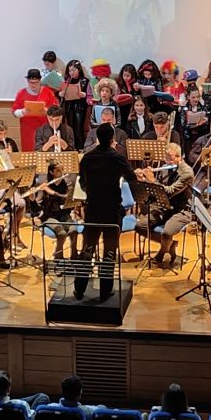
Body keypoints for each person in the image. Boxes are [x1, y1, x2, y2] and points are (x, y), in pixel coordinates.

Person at [75, 123, 131, 300]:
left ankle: (79, 290)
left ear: (97, 138)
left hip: (92, 209)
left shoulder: (87, 158)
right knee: (109, 251)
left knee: (87, 250)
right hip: (111, 210)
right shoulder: (118, 158)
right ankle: (105, 291)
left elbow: (82, 183)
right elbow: (132, 178)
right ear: (113, 138)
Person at [138, 142, 195, 267]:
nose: (168, 161)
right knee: (140, 226)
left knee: (167, 233)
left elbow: (169, 192)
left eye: (172, 158)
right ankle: (169, 245)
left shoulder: (187, 173)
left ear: (180, 157)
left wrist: (152, 179)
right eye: (167, 158)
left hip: (181, 210)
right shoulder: (165, 168)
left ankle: (162, 251)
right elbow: (156, 188)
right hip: (164, 207)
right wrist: (144, 180)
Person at [11, 69, 59, 151]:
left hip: (44, 128)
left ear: (40, 81)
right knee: (29, 150)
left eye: (36, 82)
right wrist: (22, 112)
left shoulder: (48, 92)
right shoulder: (21, 93)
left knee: (45, 150)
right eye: (31, 82)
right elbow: (14, 112)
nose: (33, 85)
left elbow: (57, 110)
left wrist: (47, 111)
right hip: (28, 129)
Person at [59, 58, 90, 144]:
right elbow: (62, 94)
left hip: (80, 107)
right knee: (70, 128)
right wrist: (61, 94)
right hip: (69, 107)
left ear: (79, 70)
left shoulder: (85, 81)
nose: (71, 72)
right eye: (69, 71)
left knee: (78, 128)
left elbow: (90, 95)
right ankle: (73, 146)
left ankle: (80, 147)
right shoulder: (67, 81)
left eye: (73, 70)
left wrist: (84, 95)